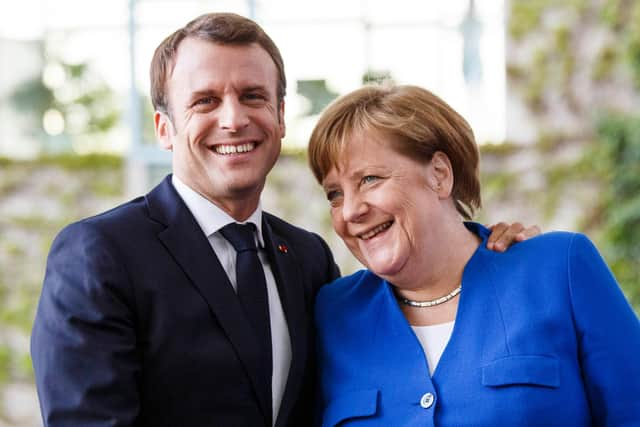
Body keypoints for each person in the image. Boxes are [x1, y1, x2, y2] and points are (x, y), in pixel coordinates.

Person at [30, 13, 537, 427]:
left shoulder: (308, 259)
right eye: (205, 101)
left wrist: (492, 254)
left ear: (279, 115)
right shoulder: (100, 254)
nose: (233, 118)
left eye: (253, 96)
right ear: (164, 128)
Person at [308, 84, 640, 426]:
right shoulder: (333, 313)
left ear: (439, 175)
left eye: (369, 179)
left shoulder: (558, 269)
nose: (349, 211)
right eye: (334, 194)